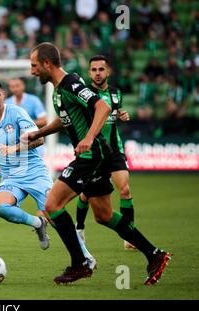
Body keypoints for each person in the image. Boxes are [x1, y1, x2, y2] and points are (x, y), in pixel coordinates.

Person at [25, 42, 170, 285]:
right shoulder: (59, 90)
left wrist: (89, 137)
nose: (32, 71)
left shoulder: (71, 84)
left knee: (52, 205)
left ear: (47, 64)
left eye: (34, 65)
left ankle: (80, 263)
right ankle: (155, 255)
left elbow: (102, 106)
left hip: (91, 155)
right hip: (93, 155)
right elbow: (65, 120)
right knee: (103, 215)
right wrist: (39, 134)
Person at [0, 79, 96, 268]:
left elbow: (39, 140)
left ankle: (86, 256)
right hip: (10, 177)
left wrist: (14, 148)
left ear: (3, 95)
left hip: (34, 172)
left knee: (55, 215)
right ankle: (37, 223)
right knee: (1, 208)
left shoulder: (17, 112)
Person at [75, 55, 136, 250]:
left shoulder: (115, 93)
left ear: (107, 71)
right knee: (85, 195)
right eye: (93, 70)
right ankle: (79, 228)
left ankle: (130, 236)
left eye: (101, 69)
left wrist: (121, 114)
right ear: (89, 72)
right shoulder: (85, 95)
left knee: (125, 190)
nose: (97, 73)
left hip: (114, 150)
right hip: (94, 152)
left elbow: (115, 112)